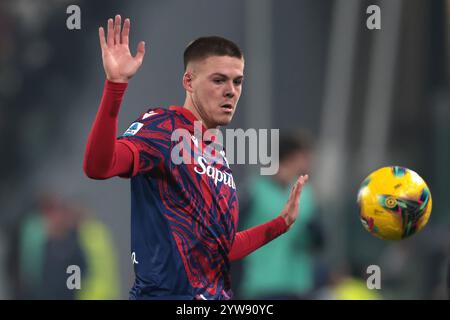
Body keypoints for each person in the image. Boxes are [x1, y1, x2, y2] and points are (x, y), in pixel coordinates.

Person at [83, 15, 309, 300]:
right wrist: (115, 86)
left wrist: (281, 224)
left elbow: (220, 248)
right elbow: (98, 166)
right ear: (188, 81)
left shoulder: (216, 155)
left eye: (238, 81)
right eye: (219, 80)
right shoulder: (162, 127)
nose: (231, 91)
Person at [239, 133, 324, 299]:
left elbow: (318, 241)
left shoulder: (307, 196)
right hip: (260, 285)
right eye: (305, 157)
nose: (308, 163)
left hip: (297, 285)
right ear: (292, 157)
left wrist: (316, 233)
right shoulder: (255, 191)